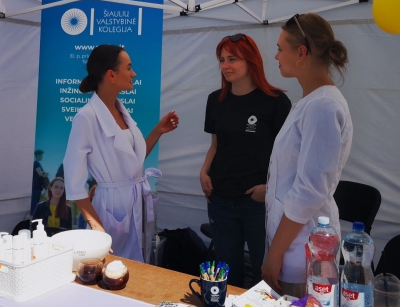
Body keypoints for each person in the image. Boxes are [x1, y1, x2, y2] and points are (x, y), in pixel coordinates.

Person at [262, 13, 352, 296]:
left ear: (301, 53)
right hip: (292, 240)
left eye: (280, 48)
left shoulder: (323, 106)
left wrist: (275, 254)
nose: (276, 56)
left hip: (302, 249)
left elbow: (309, 191)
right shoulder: (310, 102)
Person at [63, 44, 179, 261]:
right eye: (128, 67)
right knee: (110, 268)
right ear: (111, 75)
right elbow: (74, 183)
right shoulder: (86, 118)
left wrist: (158, 131)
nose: (134, 74)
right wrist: (97, 226)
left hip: (137, 201)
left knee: (138, 265)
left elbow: (133, 163)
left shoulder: (120, 111)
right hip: (110, 208)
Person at [201, 33, 291, 288]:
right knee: (228, 272)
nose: (225, 65)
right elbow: (216, 145)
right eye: (222, 60)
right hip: (220, 198)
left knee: (266, 272)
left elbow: (287, 156)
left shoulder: (275, 101)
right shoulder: (215, 100)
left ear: (251, 61)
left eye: (232, 59)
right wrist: (204, 172)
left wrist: (269, 188)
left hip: (258, 202)